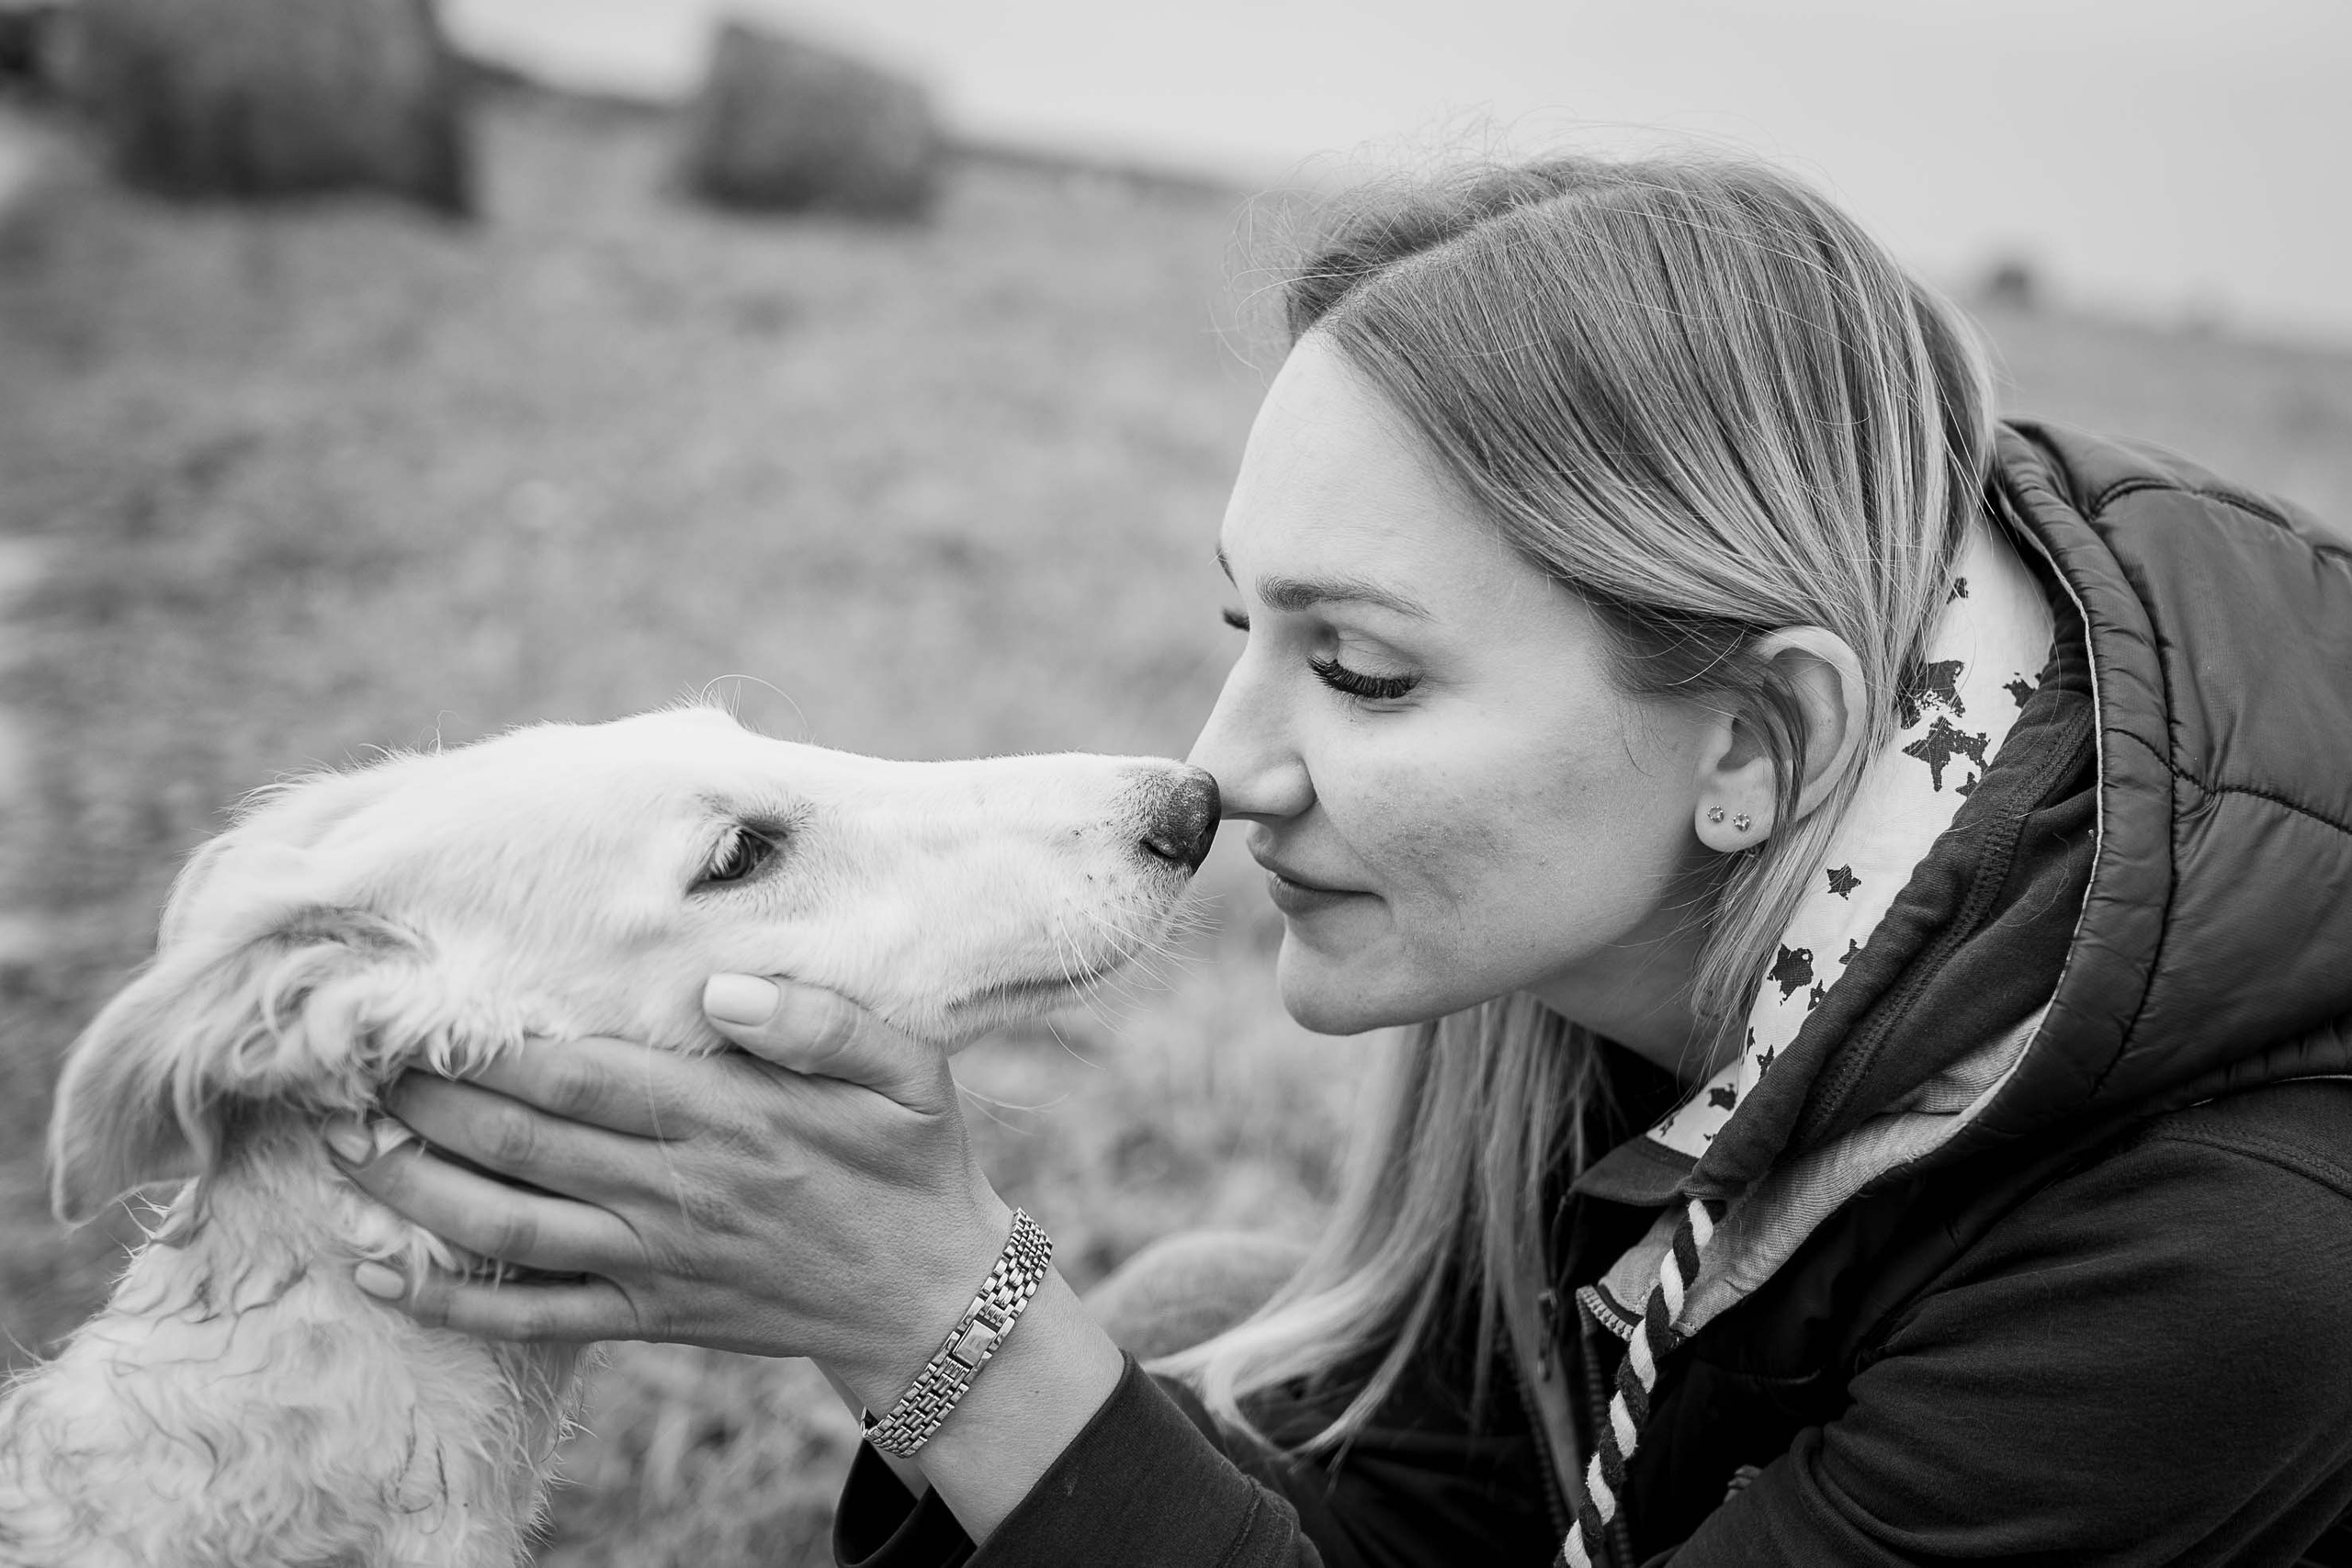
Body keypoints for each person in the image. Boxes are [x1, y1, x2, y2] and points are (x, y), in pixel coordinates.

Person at [325, 152, 2352, 1566]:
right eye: (1246, 627)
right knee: (1228, 1334)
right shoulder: (1720, 893)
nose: (1217, 774)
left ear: (1754, 739)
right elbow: (1433, 1494)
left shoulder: (2224, 1271)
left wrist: (938, 1318)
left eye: (1364, 673)